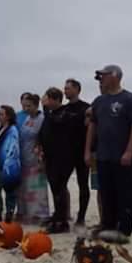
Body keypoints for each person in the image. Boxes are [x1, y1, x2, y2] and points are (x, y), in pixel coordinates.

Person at [84, 65, 132, 243]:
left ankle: (124, 229)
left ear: (115, 76)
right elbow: (92, 126)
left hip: (122, 157)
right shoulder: (99, 101)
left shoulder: (130, 99)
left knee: (124, 193)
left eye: (103, 75)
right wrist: (87, 151)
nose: (101, 79)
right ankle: (108, 226)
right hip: (103, 156)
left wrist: (129, 151)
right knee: (106, 193)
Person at [39, 87, 75, 233]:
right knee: (55, 188)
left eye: (47, 100)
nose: (45, 103)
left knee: (60, 188)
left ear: (55, 99)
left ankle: (62, 221)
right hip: (50, 157)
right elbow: (44, 132)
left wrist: (46, 110)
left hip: (63, 158)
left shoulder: (64, 112)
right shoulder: (50, 114)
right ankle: (58, 215)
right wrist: (40, 147)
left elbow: (56, 123)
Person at [17, 93, 50, 224]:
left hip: (36, 159)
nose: (26, 108)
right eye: (24, 106)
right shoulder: (27, 119)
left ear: (36, 105)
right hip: (24, 157)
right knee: (25, 189)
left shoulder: (42, 119)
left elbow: (44, 139)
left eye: (29, 106)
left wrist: (42, 157)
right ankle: (27, 214)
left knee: (38, 189)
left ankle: (40, 215)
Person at [64, 78, 91, 227]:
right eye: (65, 88)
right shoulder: (64, 109)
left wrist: (90, 151)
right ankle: (63, 213)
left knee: (83, 185)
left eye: (67, 88)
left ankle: (81, 217)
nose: (65, 91)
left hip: (82, 153)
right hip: (66, 154)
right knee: (60, 184)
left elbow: (91, 131)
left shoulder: (86, 108)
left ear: (76, 89)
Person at [0, 105, 21, 223]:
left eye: (1, 114)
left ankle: (9, 212)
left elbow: (13, 147)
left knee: (9, 190)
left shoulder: (12, 129)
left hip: (6, 164)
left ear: (8, 116)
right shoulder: (0, 129)